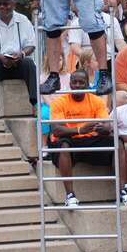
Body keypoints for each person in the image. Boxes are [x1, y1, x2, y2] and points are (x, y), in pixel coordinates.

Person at [49, 69, 113, 207]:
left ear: (87, 85)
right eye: (74, 82)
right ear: (70, 84)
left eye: (81, 83)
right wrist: (79, 129)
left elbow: (107, 125)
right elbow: (56, 130)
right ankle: (70, 196)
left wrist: (104, 129)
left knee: (117, 143)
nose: (77, 85)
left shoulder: (96, 101)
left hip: (90, 139)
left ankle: (123, 191)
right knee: (63, 145)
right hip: (68, 139)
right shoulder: (58, 102)